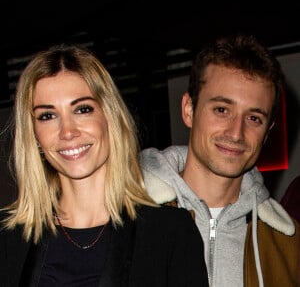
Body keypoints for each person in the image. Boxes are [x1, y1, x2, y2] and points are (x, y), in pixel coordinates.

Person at [0, 44, 209, 287]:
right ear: (34, 136)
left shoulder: (168, 233)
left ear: (109, 117)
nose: (67, 131)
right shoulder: (8, 241)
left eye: (82, 109)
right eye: (48, 116)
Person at [140, 34, 300, 287]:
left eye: (254, 118)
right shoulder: (127, 215)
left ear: (267, 132)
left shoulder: (288, 246)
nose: (236, 133)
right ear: (188, 110)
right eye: (222, 110)